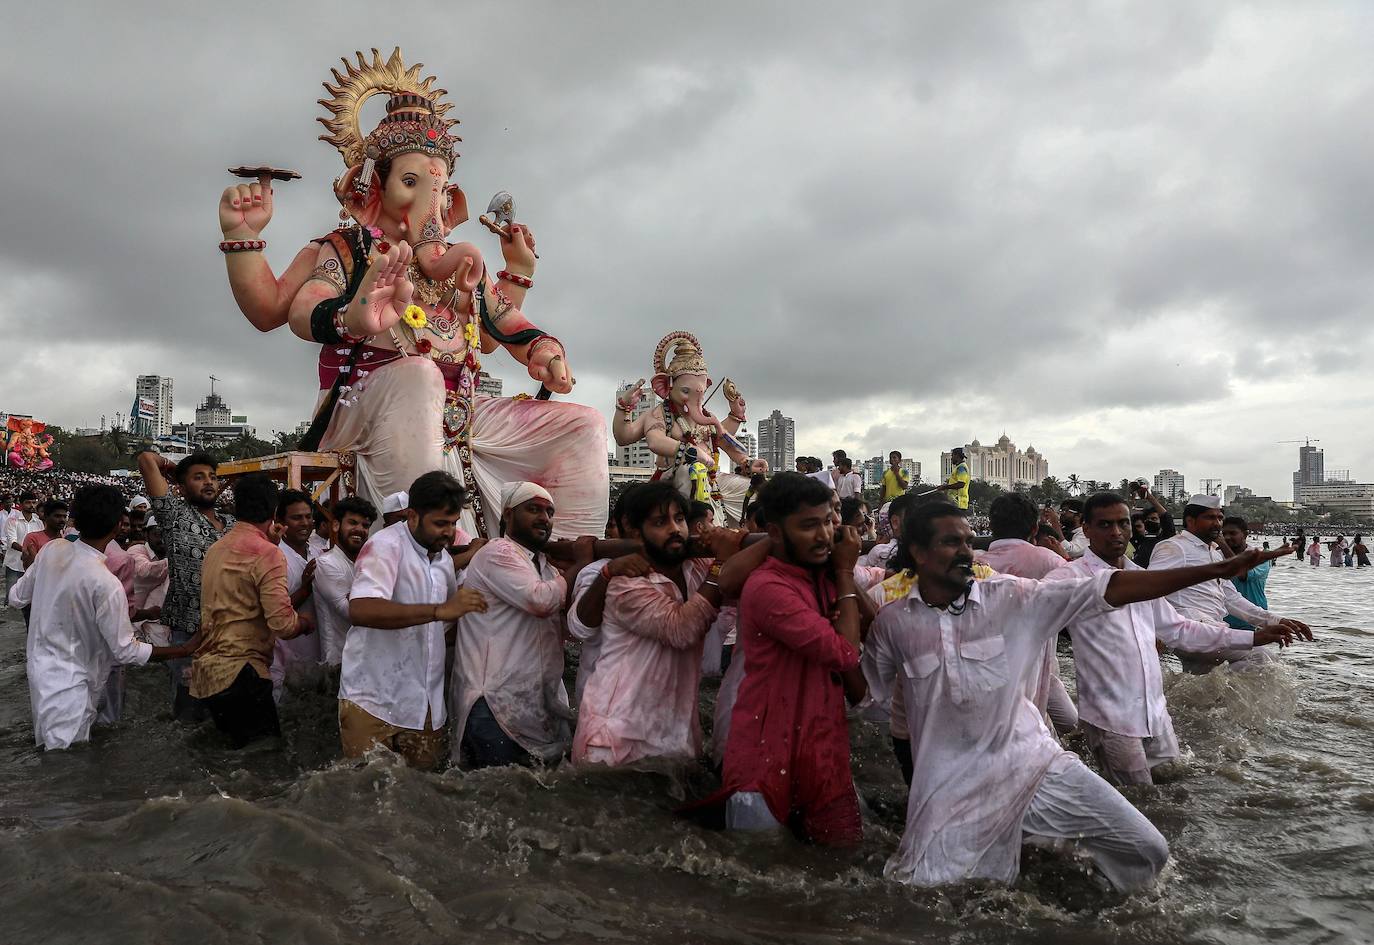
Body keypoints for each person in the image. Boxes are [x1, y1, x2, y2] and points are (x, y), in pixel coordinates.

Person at [864, 500, 1288, 892]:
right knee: (922, 889)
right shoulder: (893, 623)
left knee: (1147, 848)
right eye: (950, 542)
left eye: (967, 542)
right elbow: (875, 699)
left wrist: (1214, 573)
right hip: (950, 784)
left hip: (1033, 764)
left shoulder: (1013, 597)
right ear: (917, 552)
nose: (965, 552)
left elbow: (1117, 591)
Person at [1047, 493, 1303, 786]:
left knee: (1175, 788)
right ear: (1086, 529)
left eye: (1122, 523)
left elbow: (1180, 629)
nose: (1116, 532)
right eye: (1105, 525)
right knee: (1140, 800)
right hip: (1111, 718)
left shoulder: (1139, 575)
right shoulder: (1070, 578)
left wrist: (1254, 635)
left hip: (1155, 713)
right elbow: (1030, 616)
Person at [697, 472, 870, 846]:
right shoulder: (768, 587)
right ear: (775, 532)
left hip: (822, 751)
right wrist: (841, 571)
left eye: (828, 521)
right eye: (809, 526)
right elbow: (845, 653)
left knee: (842, 858)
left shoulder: (820, 575)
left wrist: (841, 572)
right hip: (765, 755)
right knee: (764, 873)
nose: (824, 535)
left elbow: (872, 624)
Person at [8, 485, 189, 750]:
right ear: (118, 526)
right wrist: (184, 649)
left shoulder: (51, 550)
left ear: (75, 519)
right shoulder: (106, 582)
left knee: (60, 755)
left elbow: (16, 597)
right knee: (64, 761)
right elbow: (126, 650)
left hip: (42, 673)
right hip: (71, 686)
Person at [573, 482, 739, 766]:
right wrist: (721, 561)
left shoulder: (694, 566)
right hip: (616, 740)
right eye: (660, 522)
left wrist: (727, 542)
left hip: (675, 735)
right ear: (635, 531)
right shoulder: (624, 583)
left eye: (680, 519)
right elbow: (682, 630)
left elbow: (737, 588)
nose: (675, 529)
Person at [342, 472, 487, 769]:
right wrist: (437, 610)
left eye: (453, 524)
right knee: (365, 796)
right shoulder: (383, 546)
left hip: (426, 705)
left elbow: (443, 626)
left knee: (421, 795)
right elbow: (361, 609)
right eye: (439, 524)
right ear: (413, 516)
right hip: (372, 699)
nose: (448, 533)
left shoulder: (444, 560)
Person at [450, 481, 571, 768]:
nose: (544, 518)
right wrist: (583, 564)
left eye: (549, 512)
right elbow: (540, 601)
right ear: (507, 514)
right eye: (533, 509)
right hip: (492, 704)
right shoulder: (498, 553)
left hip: (533, 705)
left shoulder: (546, 565)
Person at [191, 474, 314, 748]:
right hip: (242, 673)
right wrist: (304, 623)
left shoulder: (216, 549)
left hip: (207, 675)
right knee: (265, 761)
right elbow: (282, 624)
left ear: (235, 508)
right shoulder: (267, 554)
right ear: (274, 511)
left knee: (227, 759)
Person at [1149, 495, 1310, 672]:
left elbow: (1231, 599)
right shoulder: (1174, 547)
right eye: (1210, 518)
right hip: (1191, 629)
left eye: (1219, 518)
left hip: (1210, 632)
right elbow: (1150, 589)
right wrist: (1154, 631)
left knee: (1199, 687)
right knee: (1262, 659)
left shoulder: (1214, 553)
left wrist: (1275, 620)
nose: (1217, 523)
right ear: (1190, 520)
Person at [137, 450, 234, 720]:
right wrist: (172, 467)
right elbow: (146, 459)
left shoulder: (232, 525)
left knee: (226, 711)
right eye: (199, 477)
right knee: (189, 711)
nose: (209, 482)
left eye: (213, 477)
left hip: (230, 632)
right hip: (189, 632)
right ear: (181, 485)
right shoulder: (175, 516)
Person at [976, 492, 1079, 736]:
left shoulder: (976, 563)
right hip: (1041, 667)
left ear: (991, 525)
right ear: (1034, 528)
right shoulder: (1051, 561)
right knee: (1059, 731)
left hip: (986, 666)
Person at [566, 486, 644, 705]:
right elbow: (579, 628)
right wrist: (607, 575)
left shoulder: (674, 568)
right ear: (628, 526)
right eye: (658, 522)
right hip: (602, 701)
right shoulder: (596, 571)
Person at [312, 496, 377, 667]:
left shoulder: (364, 562)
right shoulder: (326, 564)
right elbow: (352, 613)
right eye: (353, 523)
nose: (359, 530)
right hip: (339, 664)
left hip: (366, 661)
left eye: (365, 525)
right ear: (336, 525)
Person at [272, 489, 321, 692]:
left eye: (308, 517)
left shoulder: (318, 553)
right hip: (284, 655)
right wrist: (305, 590)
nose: (304, 523)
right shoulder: (274, 557)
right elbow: (274, 612)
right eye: (296, 518)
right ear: (281, 521)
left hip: (316, 650)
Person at [1221, 516, 1271, 630]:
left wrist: (1222, 544)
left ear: (1245, 534)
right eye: (1224, 534)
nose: (1227, 537)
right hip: (1223, 622)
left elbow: (1241, 573)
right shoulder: (1216, 555)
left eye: (1232, 533)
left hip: (1254, 622)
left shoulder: (1259, 556)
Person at [4, 491, 41, 601]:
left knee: (28, 597)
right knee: (11, 596)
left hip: (32, 565)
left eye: (34, 502)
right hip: (14, 564)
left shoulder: (38, 522)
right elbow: (12, 542)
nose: (31, 505)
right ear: (21, 504)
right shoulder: (12, 520)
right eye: (28, 502)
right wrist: (26, 550)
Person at [1128, 482, 1175, 567]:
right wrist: (1133, 497)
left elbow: (1166, 518)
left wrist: (1148, 496)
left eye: (1154, 519)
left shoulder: (1166, 540)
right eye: (1147, 519)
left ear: (1161, 522)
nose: (1150, 521)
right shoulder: (1139, 541)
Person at [19, 499, 68, 570]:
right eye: (57, 516)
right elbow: (30, 570)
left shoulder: (65, 540)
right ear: (46, 516)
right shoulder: (32, 538)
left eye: (64, 516)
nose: (62, 520)